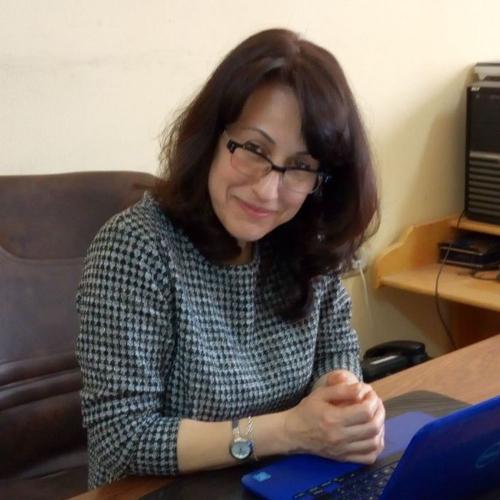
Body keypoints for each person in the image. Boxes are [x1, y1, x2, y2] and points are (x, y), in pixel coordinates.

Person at [76, 28, 384, 490]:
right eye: (254, 149)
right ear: (211, 138)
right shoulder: (136, 248)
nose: (267, 190)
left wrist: (342, 395)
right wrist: (290, 431)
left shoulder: (301, 238)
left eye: (300, 167)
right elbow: (121, 438)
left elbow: (334, 347)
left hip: (283, 480)